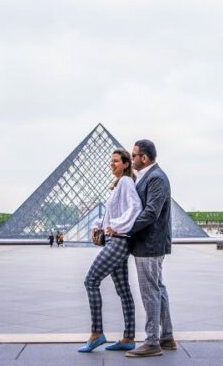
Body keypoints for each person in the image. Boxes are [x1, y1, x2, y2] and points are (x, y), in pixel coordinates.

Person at [78, 149, 142, 353]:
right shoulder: (119, 184)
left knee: (91, 281)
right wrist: (99, 225)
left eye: (115, 161)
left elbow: (135, 207)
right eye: (111, 161)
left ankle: (97, 334)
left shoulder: (125, 182)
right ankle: (128, 338)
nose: (111, 164)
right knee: (123, 291)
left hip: (118, 242)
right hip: (117, 241)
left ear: (125, 164)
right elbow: (113, 212)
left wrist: (116, 225)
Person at [124, 139, 176, 358]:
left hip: (150, 244)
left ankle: (152, 341)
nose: (131, 159)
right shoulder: (150, 177)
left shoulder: (156, 178)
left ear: (144, 158)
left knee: (150, 293)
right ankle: (167, 337)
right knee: (158, 289)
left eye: (134, 155)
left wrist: (126, 228)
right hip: (150, 243)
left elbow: (151, 213)